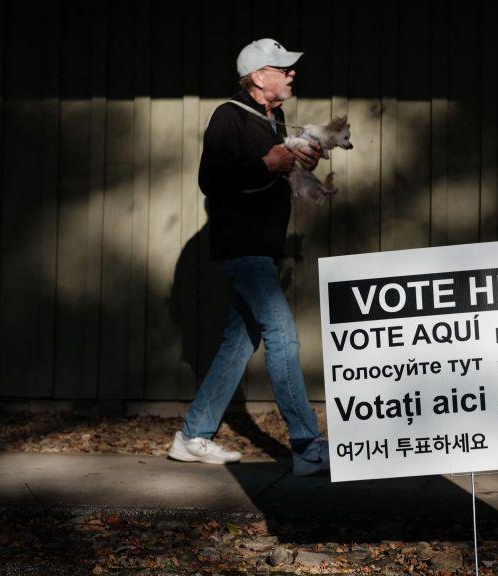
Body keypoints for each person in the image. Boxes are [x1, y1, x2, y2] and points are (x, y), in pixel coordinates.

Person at [167, 38, 330, 476]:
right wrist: (268, 164)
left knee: (238, 344)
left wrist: (297, 165)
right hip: (242, 249)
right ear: (258, 77)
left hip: (261, 249)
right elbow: (212, 181)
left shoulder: (270, 120)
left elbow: (271, 170)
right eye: (283, 68)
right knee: (283, 336)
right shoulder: (229, 116)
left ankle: (193, 435)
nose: (292, 73)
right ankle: (307, 446)